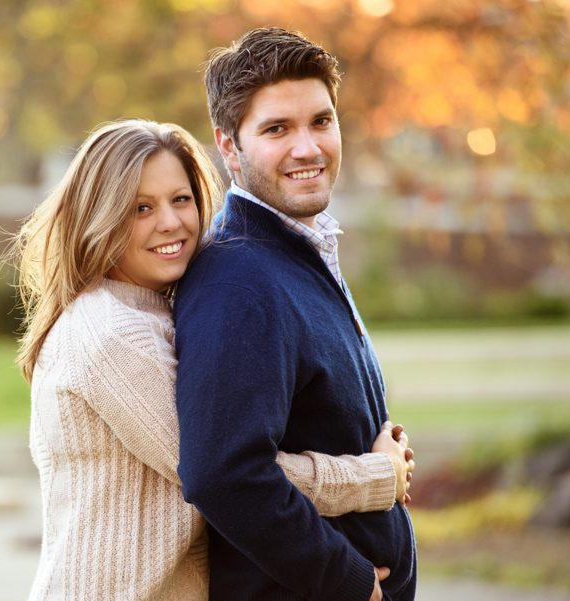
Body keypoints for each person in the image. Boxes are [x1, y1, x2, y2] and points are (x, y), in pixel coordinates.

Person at [7, 118, 415, 600]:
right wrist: (376, 476)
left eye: (180, 199)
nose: (170, 222)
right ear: (102, 216)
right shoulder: (112, 335)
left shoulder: (154, 310)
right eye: (141, 207)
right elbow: (229, 473)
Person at [174, 28, 418, 601]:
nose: (307, 148)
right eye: (277, 129)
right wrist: (350, 581)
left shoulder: (297, 250)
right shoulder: (238, 280)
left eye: (321, 121)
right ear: (229, 147)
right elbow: (225, 475)